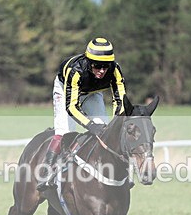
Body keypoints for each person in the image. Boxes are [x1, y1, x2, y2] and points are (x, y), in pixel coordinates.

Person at [37, 37, 127, 191]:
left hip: (92, 93)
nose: (102, 71)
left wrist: (116, 123)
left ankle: (116, 171)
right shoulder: (76, 71)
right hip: (65, 91)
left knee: (105, 131)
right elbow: (72, 107)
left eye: (105, 66)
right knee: (64, 132)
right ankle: (46, 172)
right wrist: (90, 125)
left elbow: (120, 100)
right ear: (88, 61)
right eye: (97, 66)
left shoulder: (115, 70)